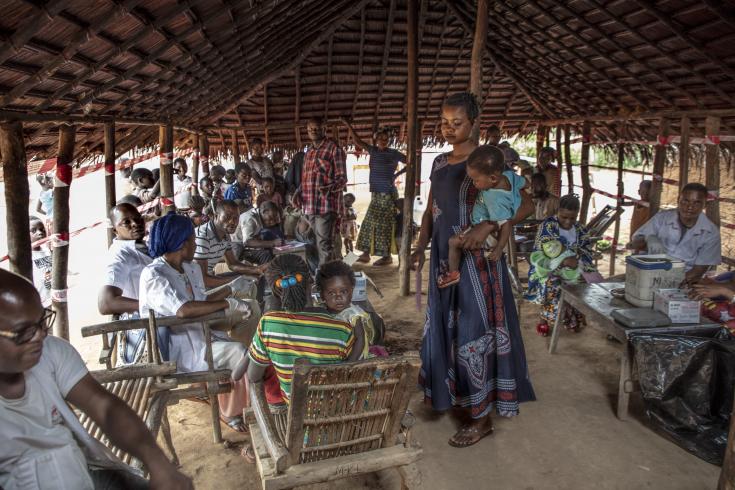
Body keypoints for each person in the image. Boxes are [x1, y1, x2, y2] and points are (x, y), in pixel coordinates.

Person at [410, 92, 535, 448]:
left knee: (474, 333)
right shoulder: (438, 163)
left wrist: (488, 227)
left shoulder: (489, 162)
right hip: (445, 257)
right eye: (444, 122)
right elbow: (431, 210)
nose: (449, 129)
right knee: (443, 326)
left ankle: (481, 419)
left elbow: (524, 203)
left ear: (474, 122)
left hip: (477, 262)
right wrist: (420, 246)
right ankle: (447, 394)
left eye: (457, 122)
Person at [0, 269, 192, 490]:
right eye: (23, 332)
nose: (40, 335)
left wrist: (159, 465)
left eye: (42, 321)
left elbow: (104, 408)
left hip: (85, 470)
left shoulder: (51, 352)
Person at [138, 213, 258, 433]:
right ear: (182, 244)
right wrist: (227, 302)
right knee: (239, 353)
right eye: (192, 239)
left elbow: (200, 301)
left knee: (251, 308)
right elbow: (184, 310)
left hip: (202, 328)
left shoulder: (189, 267)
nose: (195, 243)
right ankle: (231, 411)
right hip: (182, 347)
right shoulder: (154, 276)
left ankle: (238, 377)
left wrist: (232, 289)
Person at [437, 145, 526, 288]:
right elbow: (523, 182)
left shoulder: (495, 198)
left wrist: (498, 248)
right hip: (485, 228)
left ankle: (453, 274)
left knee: (453, 242)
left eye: (476, 180)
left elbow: (506, 223)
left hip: (486, 233)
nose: (473, 183)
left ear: (492, 178)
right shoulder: (509, 177)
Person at [526, 195, 597, 334]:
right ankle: (544, 319)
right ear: (557, 211)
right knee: (552, 284)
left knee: (582, 283)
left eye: (572, 218)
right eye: (564, 217)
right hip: (547, 269)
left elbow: (587, 251)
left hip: (574, 267)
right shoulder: (548, 225)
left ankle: (571, 319)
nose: (568, 221)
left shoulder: (581, 230)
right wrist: (562, 261)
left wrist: (577, 261)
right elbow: (543, 251)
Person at [342, 118, 406, 266]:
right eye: (381, 139)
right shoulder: (373, 150)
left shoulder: (394, 153)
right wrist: (348, 125)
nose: (383, 141)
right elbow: (358, 141)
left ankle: (387, 257)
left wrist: (396, 175)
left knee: (384, 225)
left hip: (388, 195)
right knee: (368, 223)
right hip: (376, 194)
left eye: (386, 139)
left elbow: (412, 161)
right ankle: (365, 255)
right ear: (376, 140)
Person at [631, 182, 721, 285]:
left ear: (705, 204)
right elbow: (635, 242)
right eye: (685, 201)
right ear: (678, 200)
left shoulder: (710, 232)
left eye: (697, 202)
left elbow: (698, 271)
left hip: (683, 281)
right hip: (648, 273)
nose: (690, 207)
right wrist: (649, 239)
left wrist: (667, 282)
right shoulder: (662, 218)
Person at [98, 204, 155, 365]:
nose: (135, 224)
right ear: (115, 230)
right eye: (126, 222)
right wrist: (151, 306)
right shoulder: (119, 256)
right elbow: (106, 303)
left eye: (137, 219)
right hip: (145, 323)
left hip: (158, 316)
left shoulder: (142, 246)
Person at [291, 117, 347, 266]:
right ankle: (327, 273)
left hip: (325, 206)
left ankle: (324, 280)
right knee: (318, 242)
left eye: (317, 128)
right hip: (309, 205)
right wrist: (298, 192)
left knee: (324, 244)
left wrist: (328, 189)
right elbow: (305, 179)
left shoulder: (334, 149)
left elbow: (342, 179)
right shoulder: (308, 152)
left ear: (324, 129)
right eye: (310, 129)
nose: (313, 131)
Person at [194, 200, 265, 287]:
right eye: (227, 216)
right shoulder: (203, 237)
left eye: (236, 218)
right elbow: (202, 279)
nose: (232, 222)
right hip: (197, 286)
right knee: (246, 282)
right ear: (216, 216)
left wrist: (257, 269)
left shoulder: (225, 235)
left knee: (254, 276)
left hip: (208, 278)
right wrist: (236, 281)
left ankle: (259, 300)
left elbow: (232, 264)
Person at [315, 260, 376, 358]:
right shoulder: (320, 311)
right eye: (331, 293)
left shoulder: (353, 315)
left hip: (352, 358)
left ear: (352, 291)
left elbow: (360, 340)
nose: (338, 297)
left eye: (343, 292)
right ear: (322, 295)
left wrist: (350, 363)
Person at [29, 217, 52, 307]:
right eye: (33, 231)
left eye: (42, 229)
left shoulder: (46, 250)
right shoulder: (26, 255)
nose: (40, 232)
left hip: (50, 296)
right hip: (38, 301)